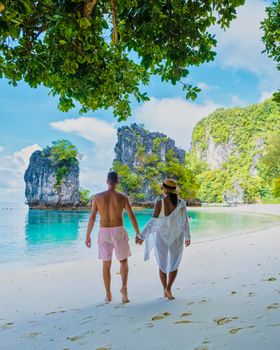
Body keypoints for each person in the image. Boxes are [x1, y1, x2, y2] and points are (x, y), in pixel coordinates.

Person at [85, 171, 140, 303]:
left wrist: (88, 235)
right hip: (118, 231)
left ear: (107, 181)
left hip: (104, 232)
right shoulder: (122, 197)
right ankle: (124, 290)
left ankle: (108, 294)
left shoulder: (97, 197)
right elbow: (131, 216)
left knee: (106, 264)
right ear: (117, 181)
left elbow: (92, 217)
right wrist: (138, 232)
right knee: (123, 261)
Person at [136, 179, 191, 300]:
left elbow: (152, 222)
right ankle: (168, 289)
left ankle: (164, 289)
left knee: (162, 265)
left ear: (165, 190)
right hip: (177, 237)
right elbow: (185, 221)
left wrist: (141, 236)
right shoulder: (181, 203)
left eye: (162, 188)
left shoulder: (159, 203)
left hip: (162, 237)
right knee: (174, 263)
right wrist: (188, 237)